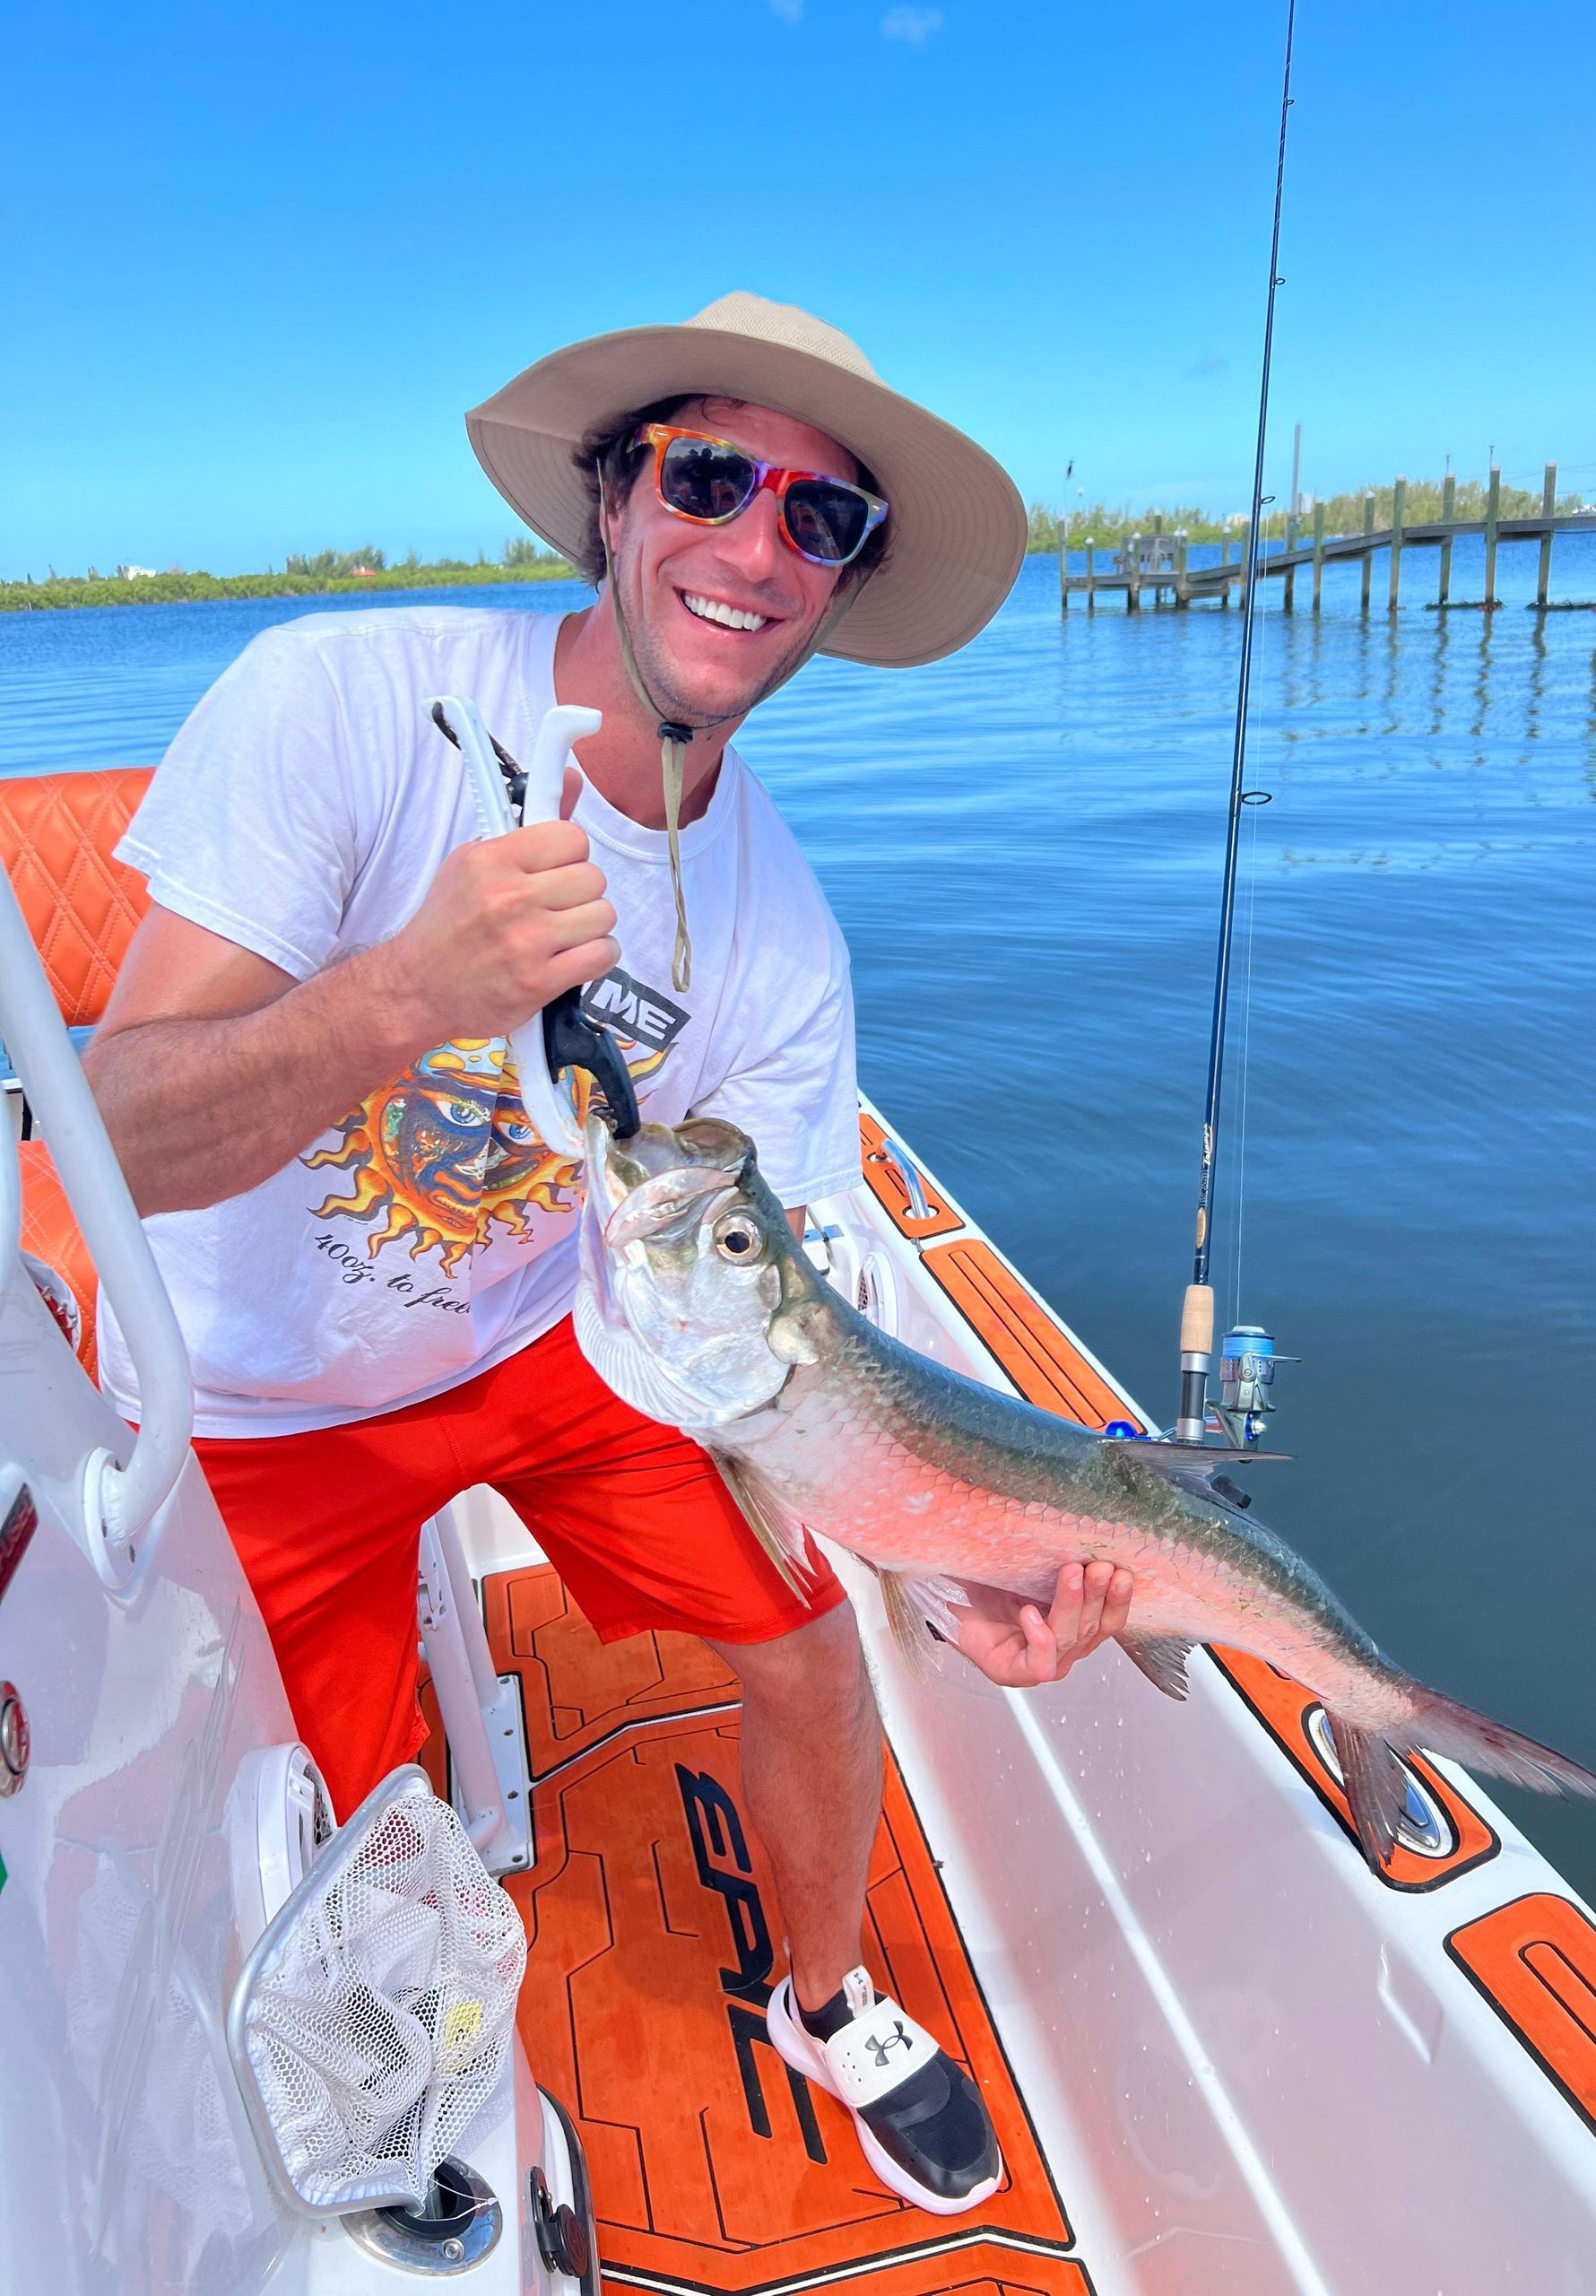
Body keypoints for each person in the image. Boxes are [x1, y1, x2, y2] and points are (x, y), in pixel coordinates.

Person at [86, 291, 1134, 2215]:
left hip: (557, 1341)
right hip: (246, 1399)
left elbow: (797, 1308)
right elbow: (115, 1138)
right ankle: (387, 2107)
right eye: (711, 474)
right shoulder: (342, 698)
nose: (755, 544)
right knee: (331, 1839)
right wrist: (403, 995)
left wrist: (954, 1562)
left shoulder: (785, 941)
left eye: (821, 515)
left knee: (813, 1641)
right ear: (612, 492)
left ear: (844, 582)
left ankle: (826, 1996)